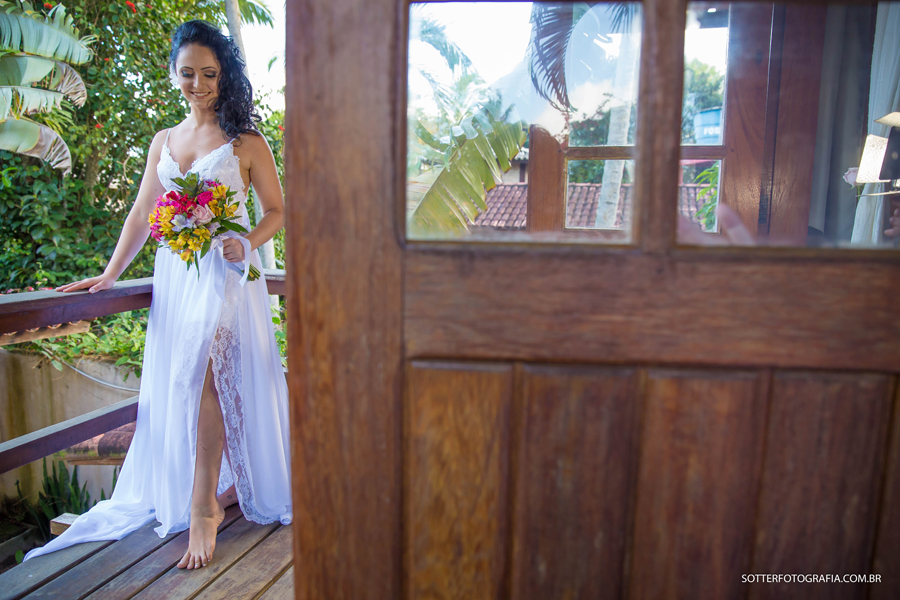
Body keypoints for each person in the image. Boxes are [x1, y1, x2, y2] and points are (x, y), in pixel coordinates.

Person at [24, 20, 292, 569]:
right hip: (177, 276)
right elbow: (143, 215)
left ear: (225, 76)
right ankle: (204, 491)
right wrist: (107, 275)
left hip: (225, 274)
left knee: (212, 380)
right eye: (188, 73)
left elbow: (277, 212)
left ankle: (202, 508)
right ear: (174, 73)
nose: (198, 83)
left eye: (209, 73)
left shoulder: (247, 141)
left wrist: (246, 239)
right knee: (185, 381)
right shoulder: (162, 142)